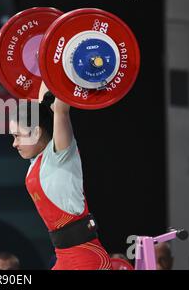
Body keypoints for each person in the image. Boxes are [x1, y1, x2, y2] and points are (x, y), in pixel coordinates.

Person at [9, 82, 112, 270]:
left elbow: (61, 110)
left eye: (17, 136)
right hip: (64, 257)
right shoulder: (37, 160)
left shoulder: (59, 154)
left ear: (37, 132)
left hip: (86, 257)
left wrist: (62, 59)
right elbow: (45, 92)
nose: (14, 144)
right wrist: (44, 57)